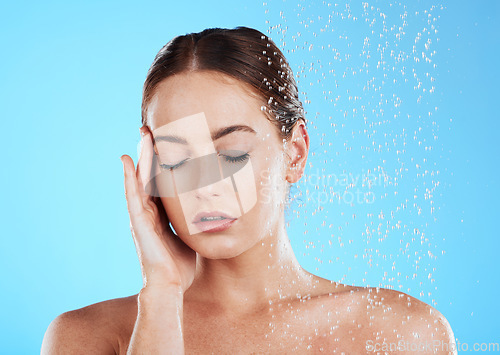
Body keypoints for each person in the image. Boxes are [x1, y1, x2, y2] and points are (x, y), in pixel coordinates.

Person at [41, 26, 456, 354]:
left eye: (232, 153)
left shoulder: (401, 333)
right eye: (176, 159)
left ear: (295, 153)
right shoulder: (88, 337)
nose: (204, 186)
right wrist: (163, 295)